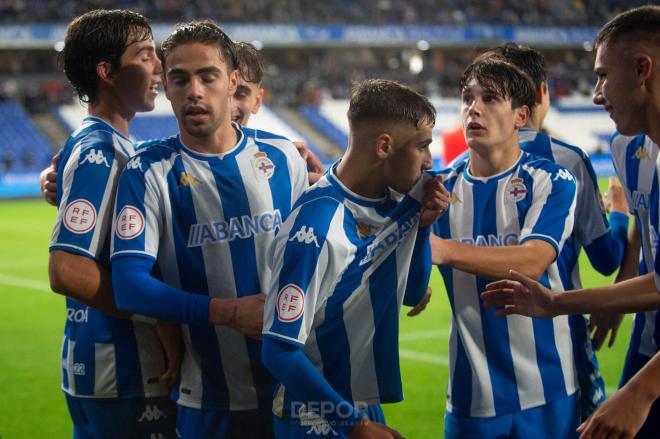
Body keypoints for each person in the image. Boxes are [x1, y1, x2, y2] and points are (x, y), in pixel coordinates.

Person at [109, 21, 308, 438]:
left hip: (297, 391)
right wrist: (229, 313)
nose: (193, 91)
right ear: (166, 87)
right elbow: (128, 285)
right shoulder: (148, 171)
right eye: (179, 79)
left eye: (208, 76)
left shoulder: (284, 157)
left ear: (233, 81)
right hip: (209, 403)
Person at [481, 6, 660, 438]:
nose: (596, 94)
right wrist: (614, 293)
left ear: (642, 69)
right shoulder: (631, 151)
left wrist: (641, 392)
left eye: (601, 76)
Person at [260, 78, 449, 438]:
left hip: (362, 404)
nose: (428, 160)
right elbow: (278, 351)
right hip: (314, 415)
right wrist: (356, 427)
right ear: (384, 146)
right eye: (422, 146)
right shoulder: (314, 228)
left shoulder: (393, 202)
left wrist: (424, 228)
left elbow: (410, 293)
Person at [431, 57, 580, 438]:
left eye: (491, 98)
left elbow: (532, 260)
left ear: (521, 115)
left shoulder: (551, 180)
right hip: (471, 396)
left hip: (547, 390)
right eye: (467, 98)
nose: (474, 108)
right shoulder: (437, 190)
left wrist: (443, 250)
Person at [47, 9, 177, 438]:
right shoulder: (100, 149)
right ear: (107, 72)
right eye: (144, 55)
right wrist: (156, 316)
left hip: (104, 371)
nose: (159, 65)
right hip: (123, 373)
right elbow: (66, 270)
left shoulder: (108, 145)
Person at [39, 42, 325, 203]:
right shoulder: (155, 161)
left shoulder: (286, 161)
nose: (228, 104)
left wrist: (319, 185)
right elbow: (118, 157)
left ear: (257, 100)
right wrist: (53, 178)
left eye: (241, 94)